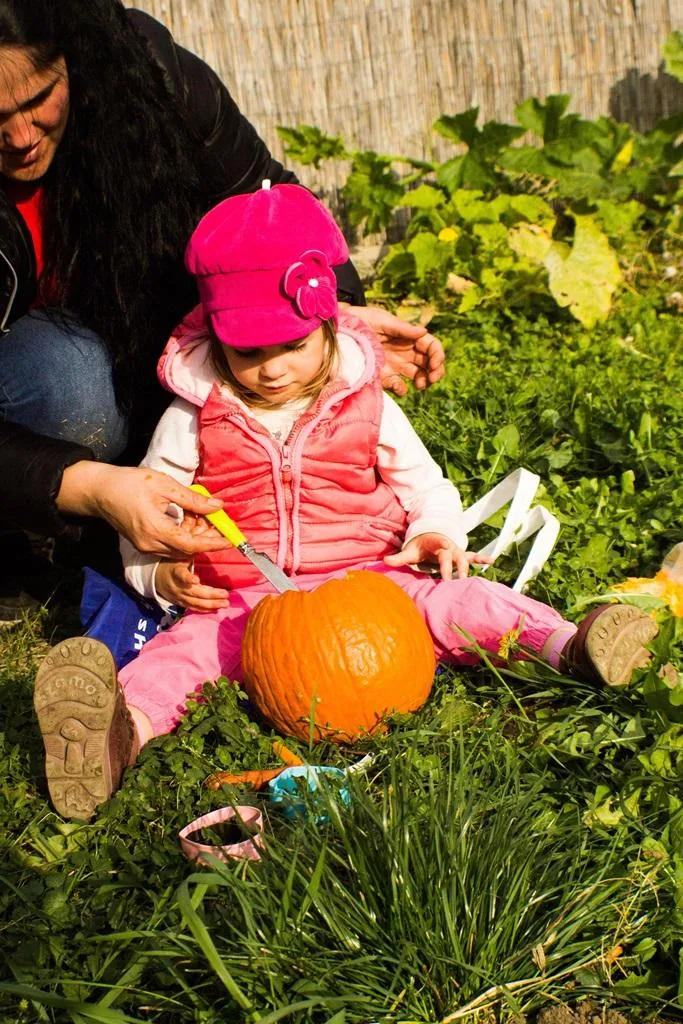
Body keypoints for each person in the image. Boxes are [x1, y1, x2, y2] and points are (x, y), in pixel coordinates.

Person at [33, 183, 659, 820]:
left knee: (464, 602)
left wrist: (438, 532)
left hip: (375, 579)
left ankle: (570, 647)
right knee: (184, 653)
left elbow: (426, 484)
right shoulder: (194, 415)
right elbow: (148, 516)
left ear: (326, 323)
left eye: (294, 347)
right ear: (217, 336)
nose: (273, 370)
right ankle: (117, 735)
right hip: (247, 596)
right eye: (249, 353)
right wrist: (159, 576)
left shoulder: (363, 401)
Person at [0, 0, 445, 617]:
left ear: (74, 57)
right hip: (41, 378)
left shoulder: (147, 73)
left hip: (158, 346)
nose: (20, 137)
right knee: (68, 380)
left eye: (38, 98)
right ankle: (31, 536)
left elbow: (266, 197)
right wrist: (96, 491)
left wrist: (321, 314)